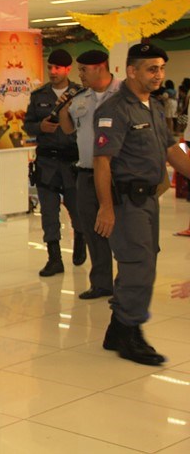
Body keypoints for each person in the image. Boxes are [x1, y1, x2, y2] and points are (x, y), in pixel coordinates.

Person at [93, 43, 190, 366]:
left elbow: (170, 149)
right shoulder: (115, 109)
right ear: (131, 71)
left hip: (149, 199)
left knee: (141, 262)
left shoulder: (154, 106)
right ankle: (129, 332)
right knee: (139, 266)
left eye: (161, 68)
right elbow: (102, 162)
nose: (158, 74)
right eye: (151, 68)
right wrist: (106, 208)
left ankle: (116, 329)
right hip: (125, 201)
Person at [57, 50, 121, 300]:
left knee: (122, 230)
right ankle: (102, 283)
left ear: (100, 67)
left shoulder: (123, 94)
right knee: (92, 229)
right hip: (86, 173)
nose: (79, 75)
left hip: (117, 174)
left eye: (84, 70)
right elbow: (68, 129)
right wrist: (63, 109)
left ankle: (126, 284)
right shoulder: (80, 98)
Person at [24, 49, 84, 276]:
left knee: (76, 208)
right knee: (49, 212)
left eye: (57, 68)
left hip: (72, 161)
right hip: (47, 161)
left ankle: (81, 237)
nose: (53, 71)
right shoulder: (39, 95)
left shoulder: (80, 94)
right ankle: (54, 258)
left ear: (68, 69)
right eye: (50, 67)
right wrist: (40, 127)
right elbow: (28, 124)